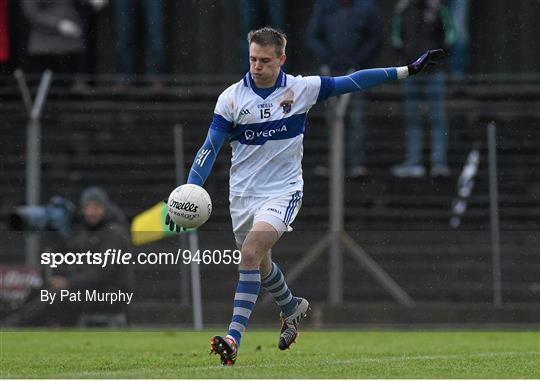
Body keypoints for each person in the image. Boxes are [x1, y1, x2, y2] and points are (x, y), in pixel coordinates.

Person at [165, 27, 442, 365]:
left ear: (281, 59)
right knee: (262, 265)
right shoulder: (231, 99)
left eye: (265, 60)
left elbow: (354, 80)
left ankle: (232, 340)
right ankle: (292, 307)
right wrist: (189, 193)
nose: (257, 66)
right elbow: (209, 149)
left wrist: (407, 70)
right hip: (242, 196)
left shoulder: (302, 89)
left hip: (283, 191)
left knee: (250, 253)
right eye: (253, 59)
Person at [306, 0, 382, 178]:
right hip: (330, 72)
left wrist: (358, 60)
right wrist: (327, 57)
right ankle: (333, 162)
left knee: (356, 118)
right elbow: (313, 36)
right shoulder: (324, 6)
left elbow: (375, 38)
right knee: (331, 117)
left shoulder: (367, 8)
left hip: (356, 72)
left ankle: (355, 162)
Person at [390, 0, 457, 178]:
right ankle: (414, 162)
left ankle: (439, 163)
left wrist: (438, 58)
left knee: (437, 118)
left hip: (434, 72)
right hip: (411, 72)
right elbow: (396, 37)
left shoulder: (439, 9)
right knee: (413, 119)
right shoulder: (403, 10)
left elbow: (451, 35)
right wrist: (407, 58)